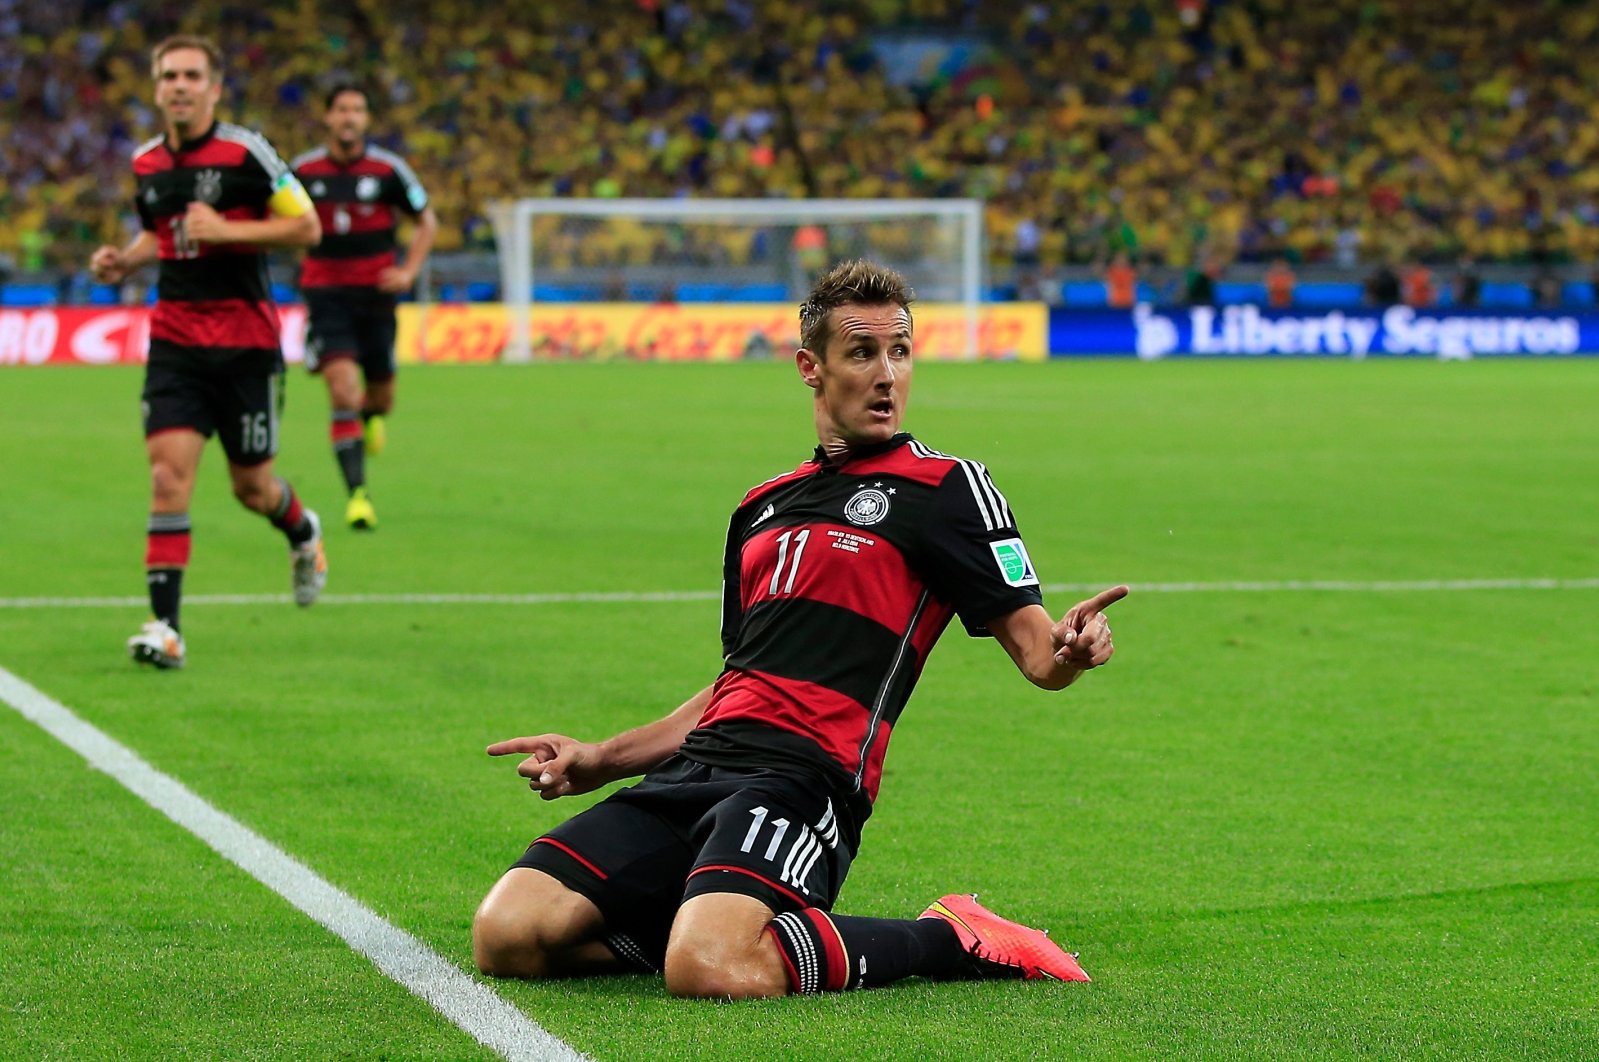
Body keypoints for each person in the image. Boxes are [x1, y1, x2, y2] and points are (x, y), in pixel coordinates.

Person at [472, 260, 1126, 999]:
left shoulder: (945, 490)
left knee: (707, 972)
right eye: (861, 352)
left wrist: (1074, 650)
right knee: (508, 935)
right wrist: (602, 758)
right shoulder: (760, 507)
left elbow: (1039, 653)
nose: (886, 374)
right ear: (809, 368)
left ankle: (953, 934)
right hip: (692, 774)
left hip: (799, 783)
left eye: (899, 351)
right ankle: (715, 919)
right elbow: (736, 684)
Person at [88, 35, 326, 671]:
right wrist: (123, 260)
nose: (180, 85)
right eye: (169, 75)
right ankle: (166, 628)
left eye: (192, 75)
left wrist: (230, 230)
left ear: (214, 88)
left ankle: (303, 531)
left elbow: (307, 226)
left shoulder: (246, 152)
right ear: (157, 86)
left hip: (246, 347)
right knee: (168, 479)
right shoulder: (145, 164)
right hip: (175, 344)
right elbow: (157, 235)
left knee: (252, 487)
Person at [291, 84, 437, 530]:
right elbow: (278, 219)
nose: (349, 117)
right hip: (327, 296)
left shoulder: (389, 170)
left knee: (380, 398)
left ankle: (370, 418)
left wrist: (408, 271)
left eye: (357, 109)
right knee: (342, 391)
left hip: (377, 298)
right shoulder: (302, 171)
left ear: (367, 119)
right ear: (328, 118)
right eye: (341, 110)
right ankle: (358, 495)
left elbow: (426, 220)